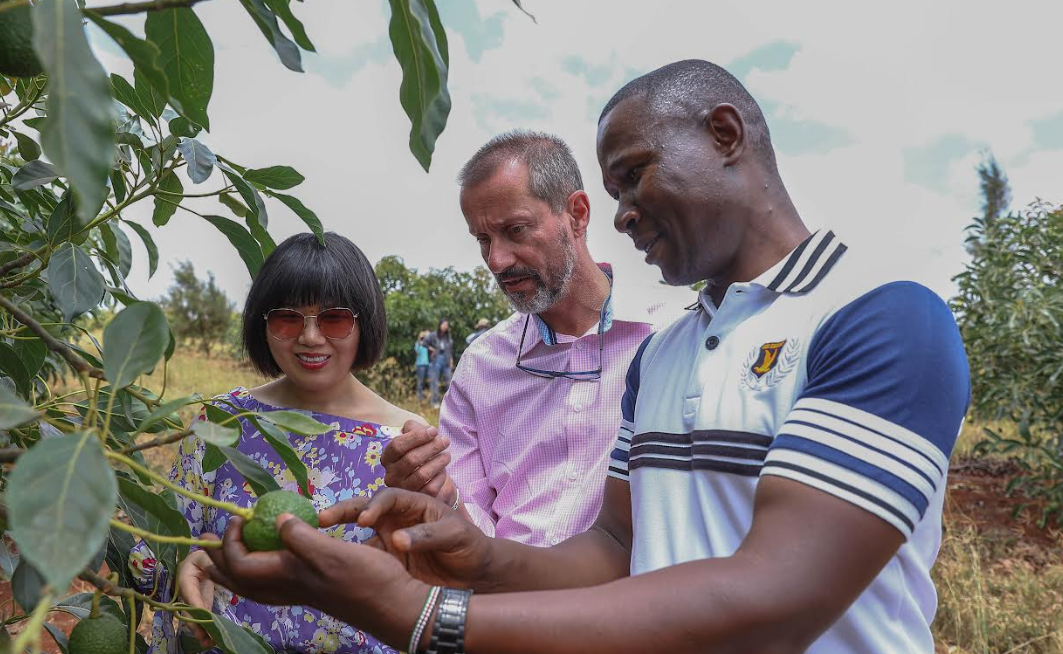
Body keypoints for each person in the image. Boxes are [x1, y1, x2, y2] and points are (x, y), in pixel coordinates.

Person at [205, 60, 971, 654]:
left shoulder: (880, 319)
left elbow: (777, 601)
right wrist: (480, 559)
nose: (623, 213)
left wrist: (421, 614)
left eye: (633, 174)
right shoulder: (664, 357)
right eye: (611, 189)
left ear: (726, 135)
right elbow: (614, 548)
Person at [128, 232, 424, 654]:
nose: (310, 337)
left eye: (333, 319)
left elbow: (433, 585)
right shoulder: (223, 421)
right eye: (288, 318)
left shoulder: (404, 443)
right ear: (262, 325)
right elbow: (162, 546)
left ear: (364, 324)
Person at [379, 130, 676, 547]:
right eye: (483, 240)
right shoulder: (481, 366)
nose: (497, 260)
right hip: (504, 602)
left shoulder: (672, 338)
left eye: (516, 230)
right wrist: (436, 493)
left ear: (577, 213)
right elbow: (471, 534)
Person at [424, 319, 453, 406]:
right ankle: (434, 402)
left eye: (447, 325)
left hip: (446, 360)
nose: (445, 326)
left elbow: (450, 351)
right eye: (444, 324)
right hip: (436, 359)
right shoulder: (433, 335)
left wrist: (451, 362)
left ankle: (450, 404)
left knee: (449, 382)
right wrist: (431, 349)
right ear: (440, 325)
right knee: (434, 381)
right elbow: (424, 342)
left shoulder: (448, 338)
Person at [414, 330, 431, 402]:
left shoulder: (428, 344)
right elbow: (417, 352)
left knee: (426, 381)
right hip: (420, 365)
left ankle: (424, 396)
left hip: (428, 364)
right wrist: (419, 339)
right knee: (420, 381)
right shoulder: (418, 344)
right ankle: (419, 397)